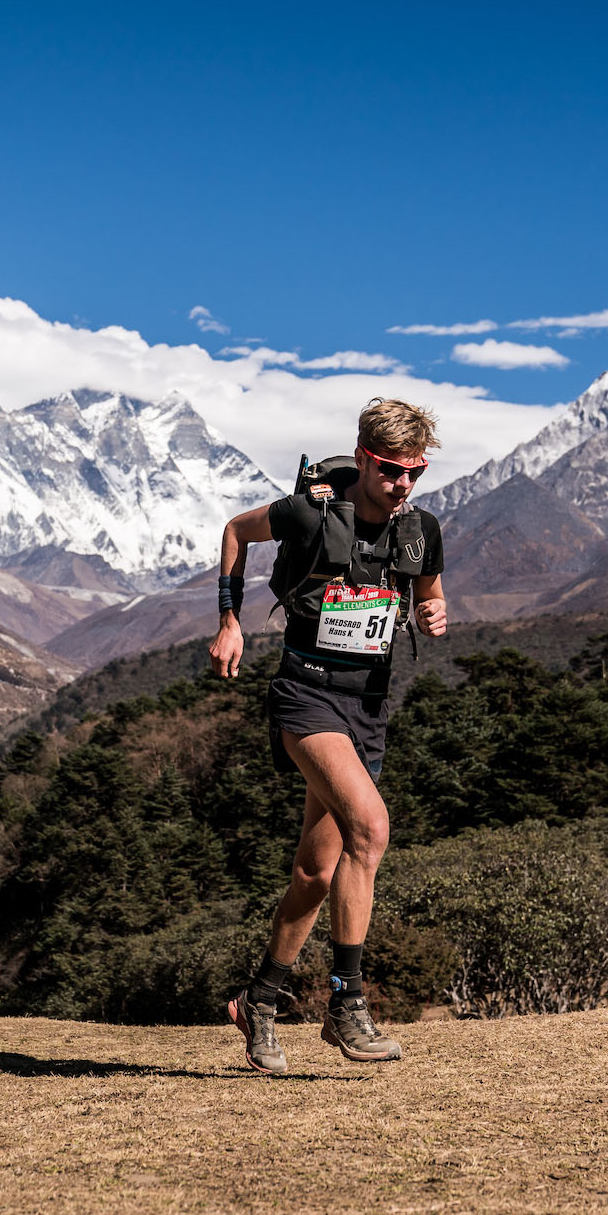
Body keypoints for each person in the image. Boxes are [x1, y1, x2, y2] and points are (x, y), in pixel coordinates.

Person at [208, 397, 446, 1073]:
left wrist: (432, 612)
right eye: (393, 471)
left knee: (315, 873)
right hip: (305, 696)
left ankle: (257, 1001)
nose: (404, 485)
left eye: (416, 473)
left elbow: (429, 592)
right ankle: (346, 1005)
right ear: (366, 459)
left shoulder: (420, 528)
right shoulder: (307, 511)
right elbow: (235, 531)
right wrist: (230, 622)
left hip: (369, 709)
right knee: (371, 830)